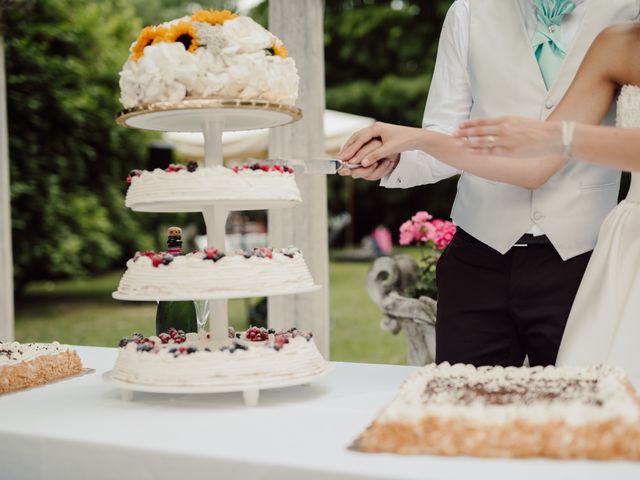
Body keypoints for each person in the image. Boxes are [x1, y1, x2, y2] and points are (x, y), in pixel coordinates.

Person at [338, 0, 640, 368]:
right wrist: (400, 157)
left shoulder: (626, 15)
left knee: (572, 417)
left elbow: (542, 161)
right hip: (477, 261)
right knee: (464, 413)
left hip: (584, 261)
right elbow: (445, 134)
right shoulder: (468, 11)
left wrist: (417, 139)